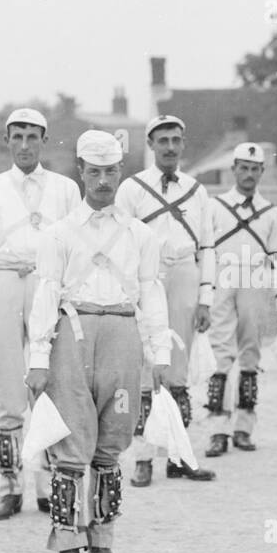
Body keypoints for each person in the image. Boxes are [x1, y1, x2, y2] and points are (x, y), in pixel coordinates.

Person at [25, 130, 170, 553]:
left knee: (111, 443)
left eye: (111, 172)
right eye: (95, 172)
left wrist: (159, 353)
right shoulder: (58, 234)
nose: (103, 181)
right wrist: (38, 358)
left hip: (123, 334)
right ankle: (67, 551)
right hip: (74, 333)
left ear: (120, 173)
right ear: (81, 173)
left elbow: (151, 291)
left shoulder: (140, 234)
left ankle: (102, 546)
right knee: (70, 444)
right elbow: (46, 294)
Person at [0, 108, 81, 520]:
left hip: (49, 286)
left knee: (49, 385)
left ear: (44, 140)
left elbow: (77, 248)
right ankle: (9, 485)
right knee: (7, 390)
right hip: (3, 283)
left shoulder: (65, 189)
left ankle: (46, 483)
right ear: (7, 141)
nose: (25, 145)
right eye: (17, 137)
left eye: (32, 137)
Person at [116, 114, 217, 487]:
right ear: (151, 145)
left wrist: (205, 298)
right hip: (148, 277)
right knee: (146, 369)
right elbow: (123, 243)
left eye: (176, 140)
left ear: (183, 144)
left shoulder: (197, 190)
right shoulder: (133, 188)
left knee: (178, 369)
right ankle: (143, 457)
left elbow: (208, 246)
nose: (170, 147)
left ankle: (179, 456)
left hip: (185, 275)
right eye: (163, 141)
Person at [203, 142, 277, 457]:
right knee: (219, 356)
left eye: (255, 169)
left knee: (250, 355)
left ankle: (244, 427)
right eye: (244, 168)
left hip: (254, 280)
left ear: (262, 172)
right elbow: (206, 250)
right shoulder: (214, 207)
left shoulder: (271, 213)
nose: (249, 174)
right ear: (234, 170)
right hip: (222, 280)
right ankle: (217, 429)